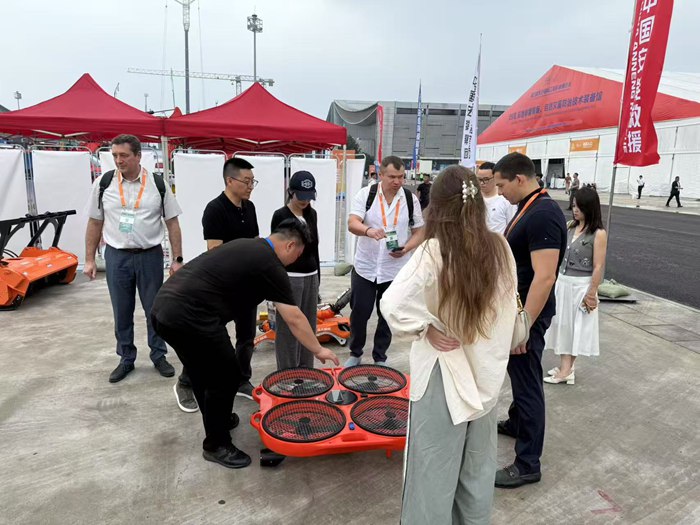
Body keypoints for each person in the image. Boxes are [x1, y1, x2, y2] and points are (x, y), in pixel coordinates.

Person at [381, 166, 518, 525]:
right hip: (486, 375)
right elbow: (508, 310)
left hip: (443, 375)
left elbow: (392, 304)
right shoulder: (500, 248)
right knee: (476, 477)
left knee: (431, 478)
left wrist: (424, 327)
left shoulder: (434, 250)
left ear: (437, 206)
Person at [150, 220, 339, 469]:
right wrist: (318, 349)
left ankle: (218, 421)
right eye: (298, 255)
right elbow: (293, 317)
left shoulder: (250, 247)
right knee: (227, 376)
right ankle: (216, 445)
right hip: (191, 318)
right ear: (290, 245)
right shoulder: (270, 264)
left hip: (164, 310)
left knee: (201, 373)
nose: (295, 261)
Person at [492, 152, 567, 488]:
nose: (500, 192)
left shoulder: (543, 214)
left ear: (519, 179)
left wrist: (523, 326)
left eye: (501, 185)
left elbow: (545, 276)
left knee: (527, 384)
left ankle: (527, 464)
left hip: (528, 316)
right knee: (520, 375)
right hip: (519, 310)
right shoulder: (529, 207)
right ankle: (517, 423)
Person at [84, 134, 183, 383]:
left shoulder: (157, 184)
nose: (119, 160)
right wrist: (89, 259)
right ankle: (126, 358)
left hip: (149, 256)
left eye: (124, 155)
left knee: (155, 309)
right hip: (117, 257)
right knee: (122, 310)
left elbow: (172, 223)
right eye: (115, 155)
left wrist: (177, 258)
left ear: (138, 156)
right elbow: (95, 222)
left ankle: (158, 355)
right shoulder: (103, 184)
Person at [173, 158, 260, 413]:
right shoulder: (215, 209)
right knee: (205, 338)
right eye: (246, 181)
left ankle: (242, 379)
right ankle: (185, 383)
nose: (250, 186)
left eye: (253, 182)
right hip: (221, 287)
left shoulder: (250, 207)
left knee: (246, 337)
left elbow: (254, 242)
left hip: (247, 285)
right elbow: (215, 252)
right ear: (229, 180)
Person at [346, 155, 425, 367]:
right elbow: (352, 223)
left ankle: (380, 357)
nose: (397, 181)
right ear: (380, 175)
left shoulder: (410, 199)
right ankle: (355, 352)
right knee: (360, 311)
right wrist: (368, 231)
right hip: (366, 266)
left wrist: (406, 248)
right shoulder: (366, 194)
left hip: (395, 268)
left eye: (401, 177)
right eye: (392, 177)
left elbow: (419, 231)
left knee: (388, 314)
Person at [544, 187, 607, 385]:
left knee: (575, 328)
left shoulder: (598, 234)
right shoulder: (570, 226)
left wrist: (591, 293)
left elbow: (598, 266)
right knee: (562, 325)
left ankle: (566, 370)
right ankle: (567, 368)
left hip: (581, 286)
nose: (575, 210)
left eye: (579, 206)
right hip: (563, 282)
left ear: (590, 207)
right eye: (573, 206)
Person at [271, 171, 321, 370]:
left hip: (311, 276)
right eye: (301, 196)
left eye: (309, 197)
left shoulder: (312, 214)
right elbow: (276, 251)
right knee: (288, 328)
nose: (305, 201)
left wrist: (318, 280)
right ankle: (287, 373)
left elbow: (315, 248)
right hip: (290, 277)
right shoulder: (280, 215)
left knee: (309, 326)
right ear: (291, 192)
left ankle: (306, 371)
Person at [477, 161, 517, 234]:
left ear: (495, 178)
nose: (482, 183)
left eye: (486, 179)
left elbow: (513, 227)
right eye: (479, 179)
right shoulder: (474, 198)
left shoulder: (506, 200)